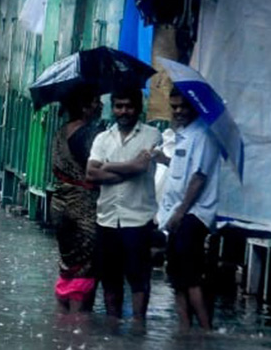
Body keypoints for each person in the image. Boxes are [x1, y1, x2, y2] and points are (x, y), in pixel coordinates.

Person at [85, 85, 161, 321]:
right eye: (119, 106)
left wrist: (106, 166)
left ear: (138, 108)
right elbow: (90, 174)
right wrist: (129, 169)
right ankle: (112, 325)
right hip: (107, 217)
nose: (124, 111)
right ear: (113, 108)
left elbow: (142, 167)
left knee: (138, 279)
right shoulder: (102, 139)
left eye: (129, 106)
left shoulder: (152, 135)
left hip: (137, 218)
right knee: (110, 278)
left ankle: (139, 325)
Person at [154, 88, 221, 329]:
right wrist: (164, 160)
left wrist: (179, 213)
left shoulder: (203, 135)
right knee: (177, 277)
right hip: (178, 214)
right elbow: (183, 170)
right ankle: (184, 330)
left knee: (191, 277)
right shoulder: (184, 135)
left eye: (183, 106)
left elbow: (199, 177)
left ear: (194, 106)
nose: (178, 111)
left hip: (192, 215)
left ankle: (204, 330)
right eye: (174, 107)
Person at [50, 86, 103, 312]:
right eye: (96, 101)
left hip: (60, 205)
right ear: (85, 107)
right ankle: (81, 327)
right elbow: (97, 169)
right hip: (83, 207)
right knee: (87, 268)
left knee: (68, 266)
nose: (100, 106)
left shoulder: (60, 132)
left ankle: (63, 325)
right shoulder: (88, 134)